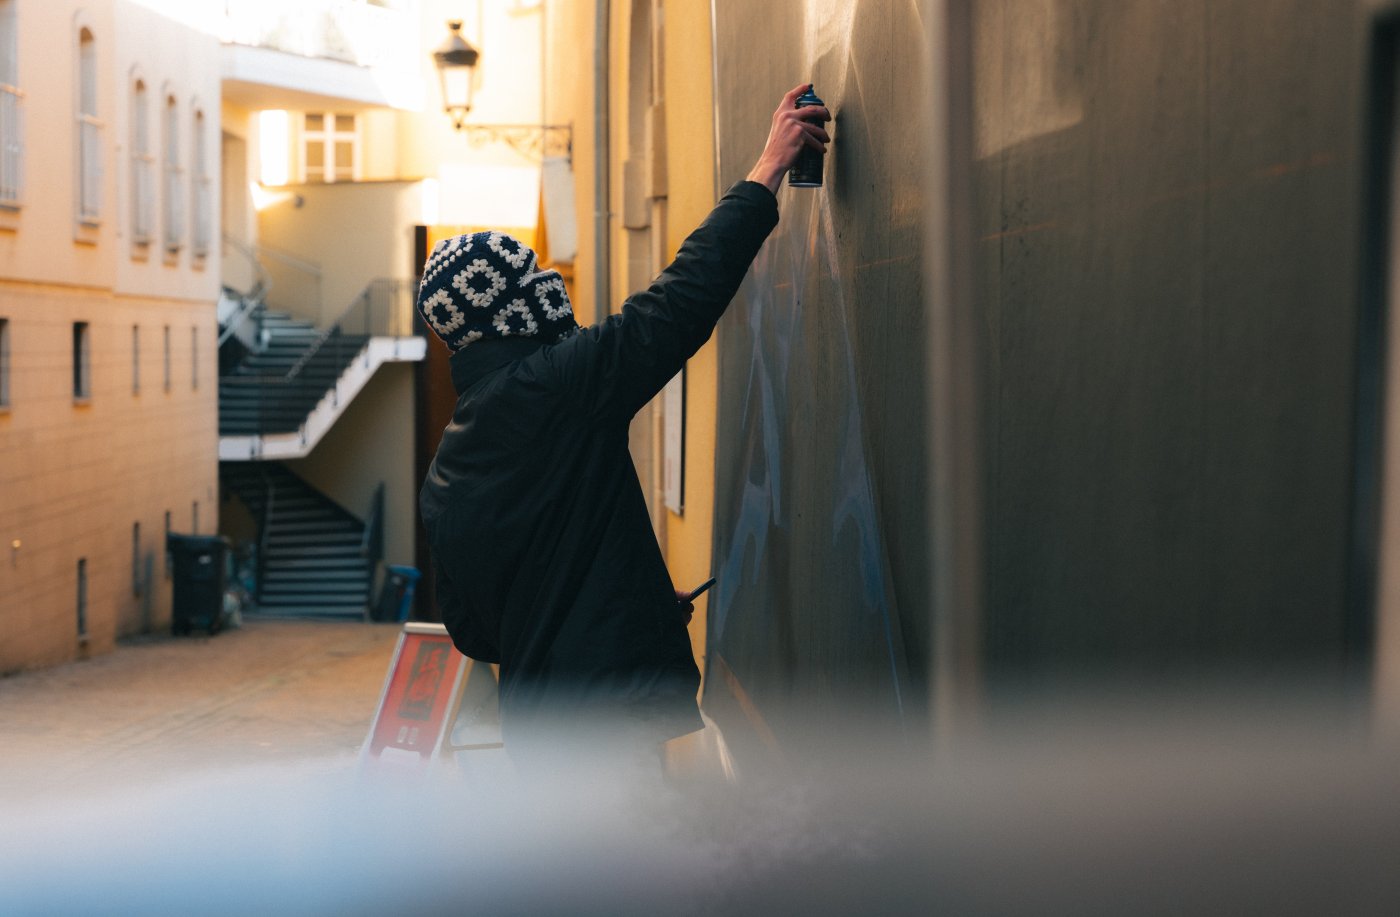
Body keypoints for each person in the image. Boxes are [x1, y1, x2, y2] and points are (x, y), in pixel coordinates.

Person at [417, 84, 831, 766]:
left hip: (538, 738)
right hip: (609, 726)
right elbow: (678, 302)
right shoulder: (557, 386)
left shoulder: (444, 471)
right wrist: (767, 171)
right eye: (535, 277)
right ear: (519, 303)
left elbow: (474, 630)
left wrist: (622, 596)